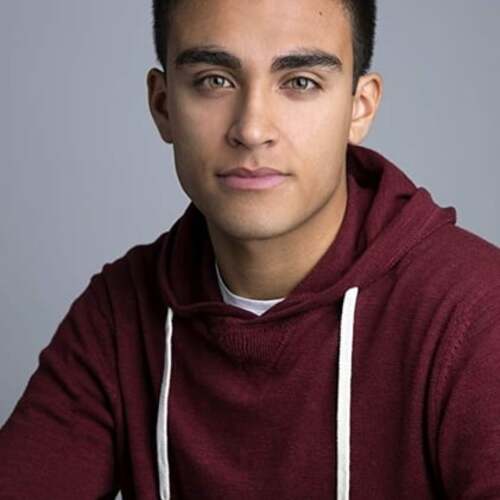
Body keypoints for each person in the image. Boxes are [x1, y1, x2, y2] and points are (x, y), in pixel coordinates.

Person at [1, 0, 500, 498]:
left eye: (300, 81)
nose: (252, 129)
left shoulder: (475, 311)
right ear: (163, 105)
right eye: (214, 80)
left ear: (359, 107)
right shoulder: (120, 312)